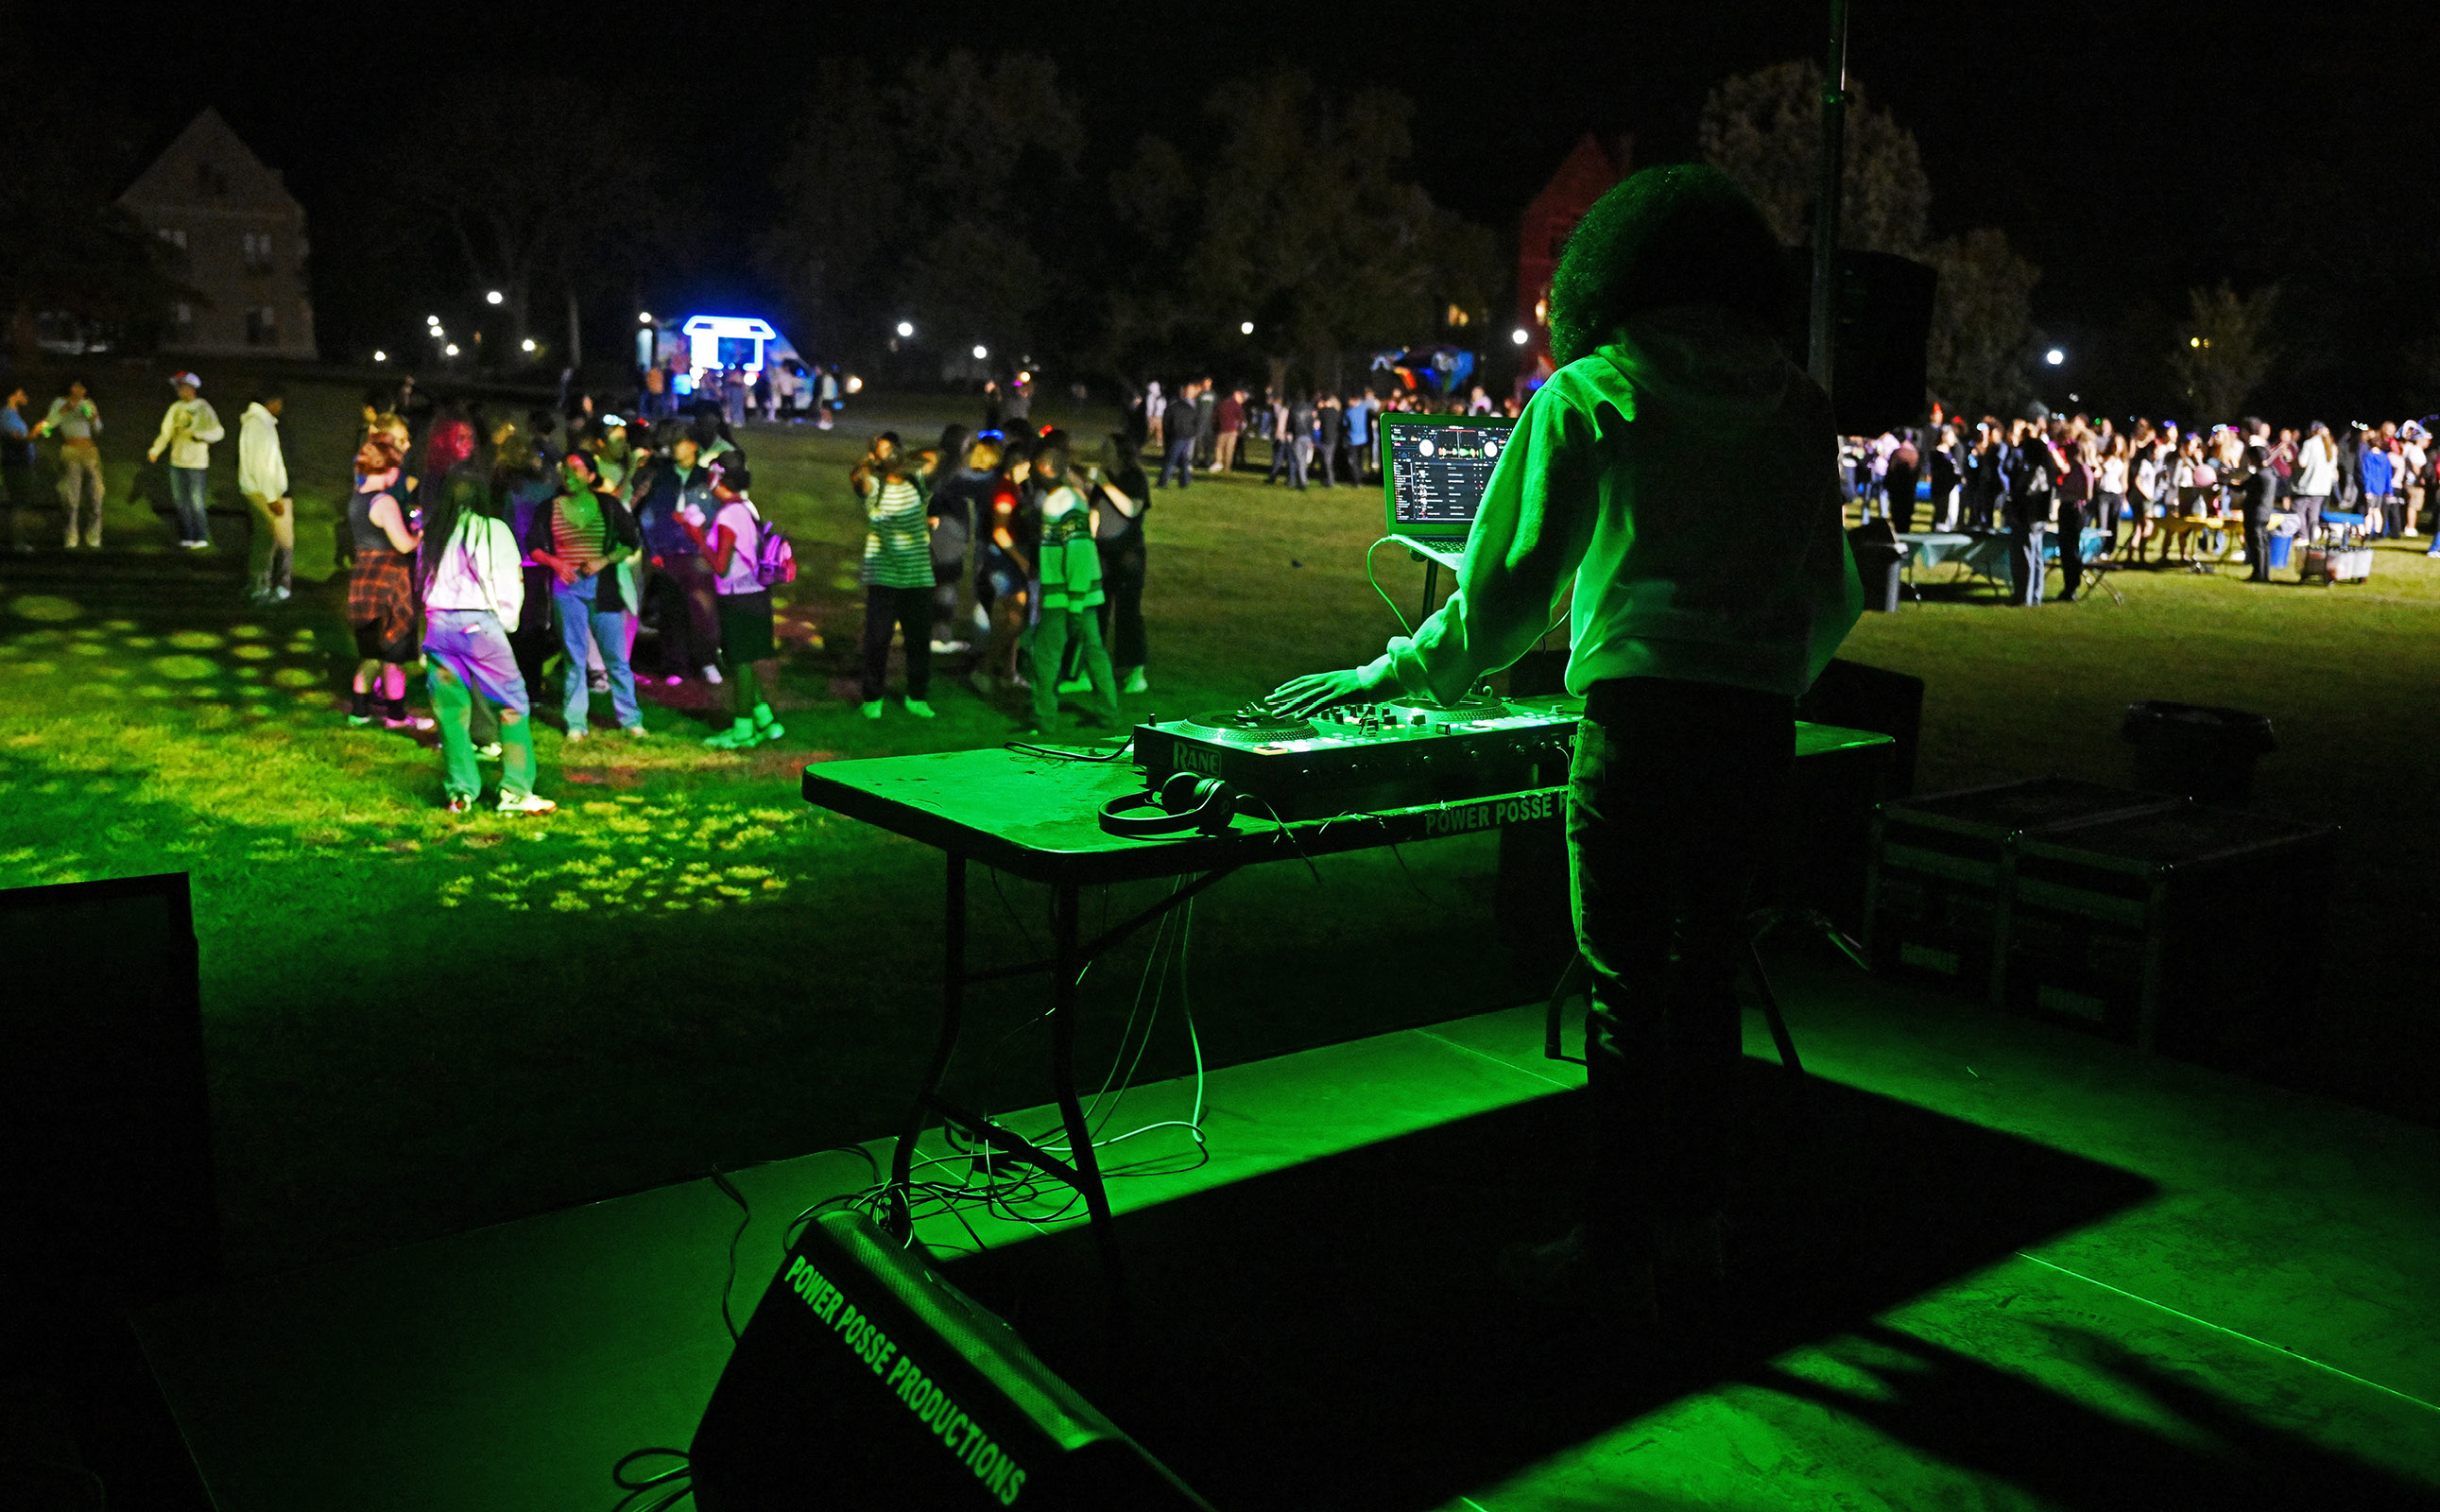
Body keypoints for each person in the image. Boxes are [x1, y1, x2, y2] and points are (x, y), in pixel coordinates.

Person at [1268, 164, 1860, 1322]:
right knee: (1705, 978)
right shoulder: (1798, 405)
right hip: (1753, 732)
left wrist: (1389, 672)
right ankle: (1694, 1235)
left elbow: (1505, 604)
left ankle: (1612, 1249)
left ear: (1611, 273)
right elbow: (1832, 591)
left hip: (1639, 729)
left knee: (1627, 994)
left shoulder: (1592, 394)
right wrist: (1759, 677)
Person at [419, 467, 556, 815]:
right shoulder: (493, 530)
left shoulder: (434, 532)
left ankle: (460, 792)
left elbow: (423, 581)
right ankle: (515, 790)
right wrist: (507, 624)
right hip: (478, 625)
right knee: (512, 704)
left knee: (451, 713)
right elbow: (507, 581)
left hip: (439, 626)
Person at [529, 449, 645, 742]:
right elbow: (534, 546)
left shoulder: (608, 505)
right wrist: (556, 563)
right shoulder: (549, 507)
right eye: (566, 468)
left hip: (602, 589)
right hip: (567, 590)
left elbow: (630, 542)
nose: (569, 474)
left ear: (592, 476)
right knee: (574, 657)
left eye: (577, 469)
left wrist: (604, 560)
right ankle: (575, 722)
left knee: (616, 658)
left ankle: (631, 719)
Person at [682, 462, 785, 748]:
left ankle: (743, 731)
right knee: (746, 660)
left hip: (738, 597)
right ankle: (765, 721)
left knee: (739, 663)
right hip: (755, 593)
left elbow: (721, 566)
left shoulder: (728, 515)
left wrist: (696, 535)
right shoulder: (746, 507)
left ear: (720, 479)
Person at [1027, 440, 1120, 733]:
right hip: (1082, 594)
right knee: (1094, 653)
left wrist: (1075, 601)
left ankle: (1044, 719)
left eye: (1034, 468)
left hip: (1066, 596)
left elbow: (1077, 551)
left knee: (1045, 656)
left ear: (1046, 468)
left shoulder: (1060, 503)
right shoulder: (1071, 499)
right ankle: (1109, 714)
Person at [344, 433, 431, 729]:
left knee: (370, 654)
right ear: (388, 469)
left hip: (364, 580)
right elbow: (403, 544)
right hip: (388, 583)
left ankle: (359, 712)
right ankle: (396, 717)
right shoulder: (384, 502)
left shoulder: (357, 498)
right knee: (394, 655)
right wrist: (420, 534)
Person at [851, 432, 937, 719]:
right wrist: (869, 461)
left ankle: (917, 696)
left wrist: (907, 456)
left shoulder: (917, 482)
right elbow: (857, 478)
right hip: (884, 576)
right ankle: (872, 697)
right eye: (881, 451)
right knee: (877, 640)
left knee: (918, 640)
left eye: (891, 449)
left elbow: (939, 457)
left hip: (918, 576)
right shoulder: (875, 487)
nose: (887, 455)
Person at [1091, 434, 1152, 695]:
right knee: (1098, 610)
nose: (1102, 451)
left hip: (1128, 554)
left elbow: (1131, 509)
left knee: (1128, 611)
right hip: (1102, 553)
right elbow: (1094, 511)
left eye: (1108, 448)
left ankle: (1136, 671)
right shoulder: (1103, 477)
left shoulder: (1134, 478)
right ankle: (1093, 667)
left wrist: (1105, 484)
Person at [931, 434, 1000, 656]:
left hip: (958, 538)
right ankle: (945, 638)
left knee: (947, 584)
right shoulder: (985, 481)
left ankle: (940, 633)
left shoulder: (955, 476)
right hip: (965, 540)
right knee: (952, 586)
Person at [148, 371, 225, 549]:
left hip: (196, 464)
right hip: (177, 462)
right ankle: (187, 536)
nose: (178, 390)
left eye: (181, 386)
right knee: (181, 503)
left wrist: (201, 436)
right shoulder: (175, 408)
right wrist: (155, 451)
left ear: (191, 388)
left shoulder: (203, 407)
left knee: (196, 502)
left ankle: (201, 536)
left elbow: (218, 431)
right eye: (178, 387)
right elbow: (166, 432)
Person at [237, 387, 294, 602]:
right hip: (262, 492)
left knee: (262, 540)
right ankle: (259, 587)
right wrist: (272, 497)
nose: (281, 407)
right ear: (271, 402)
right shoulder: (259, 425)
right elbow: (262, 465)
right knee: (265, 542)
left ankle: (256, 584)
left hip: (257, 490)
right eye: (279, 402)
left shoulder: (258, 423)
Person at [41, 379, 106, 548]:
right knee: (71, 497)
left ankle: (94, 536)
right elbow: (49, 424)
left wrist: (93, 418)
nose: (79, 390)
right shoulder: (59, 402)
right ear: (70, 388)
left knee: (96, 494)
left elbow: (98, 428)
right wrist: (65, 410)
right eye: (76, 386)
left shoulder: (88, 403)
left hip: (90, 451)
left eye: (82, 387)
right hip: (70, 450)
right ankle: (71, 537)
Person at [1, 387, 35, 552]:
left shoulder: (13, 415)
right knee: (18, 503)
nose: (25, 396)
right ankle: (18, 543)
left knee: (20, 503)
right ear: (12, 396)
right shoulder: (7, 415)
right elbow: (17, 440)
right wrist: (35, 432)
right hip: (16, 465)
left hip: (20, 464)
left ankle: (19, 541)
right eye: (21, 393)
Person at [1158, 380, 1198, 488]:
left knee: (1171, 460)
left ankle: (1163, 482)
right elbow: (1195, 422)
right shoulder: (1190, 408)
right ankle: (1184, 482)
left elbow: (1166, 423)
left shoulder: (1171, 408)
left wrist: (1168, 435)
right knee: (1184, 459)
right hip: (1187, 436)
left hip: (1176, 436)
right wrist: (1192, 433)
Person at [1212, 387, 1244, 472]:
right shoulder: (1236, 405)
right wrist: (1239, 429)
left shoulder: (1220, 405)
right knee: (1229, 449)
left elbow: (1215, 418)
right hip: (1233, 430)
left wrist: (1215, 428)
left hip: (1222, 430)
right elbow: (1241, 418)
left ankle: (1219, 463)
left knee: (1219, 448)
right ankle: (1227, 467)